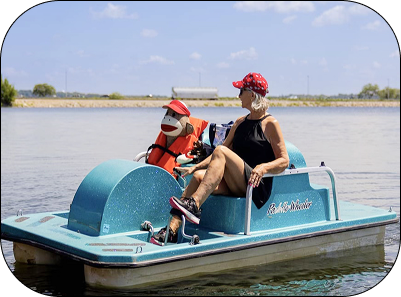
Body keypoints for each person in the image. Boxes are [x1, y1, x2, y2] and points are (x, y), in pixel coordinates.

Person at [150, 72, 290, 246]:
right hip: (236, 181)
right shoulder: (240, 122)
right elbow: (218, 154)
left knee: (222, 151)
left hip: (255, 185)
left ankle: (194, 205)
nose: (238, 96)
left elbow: (284, 161)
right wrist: (194, 168)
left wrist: (263, 168)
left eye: (241, 91)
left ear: (252, 95)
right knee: (199, 177)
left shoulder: (270, 124)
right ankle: (172, 230)